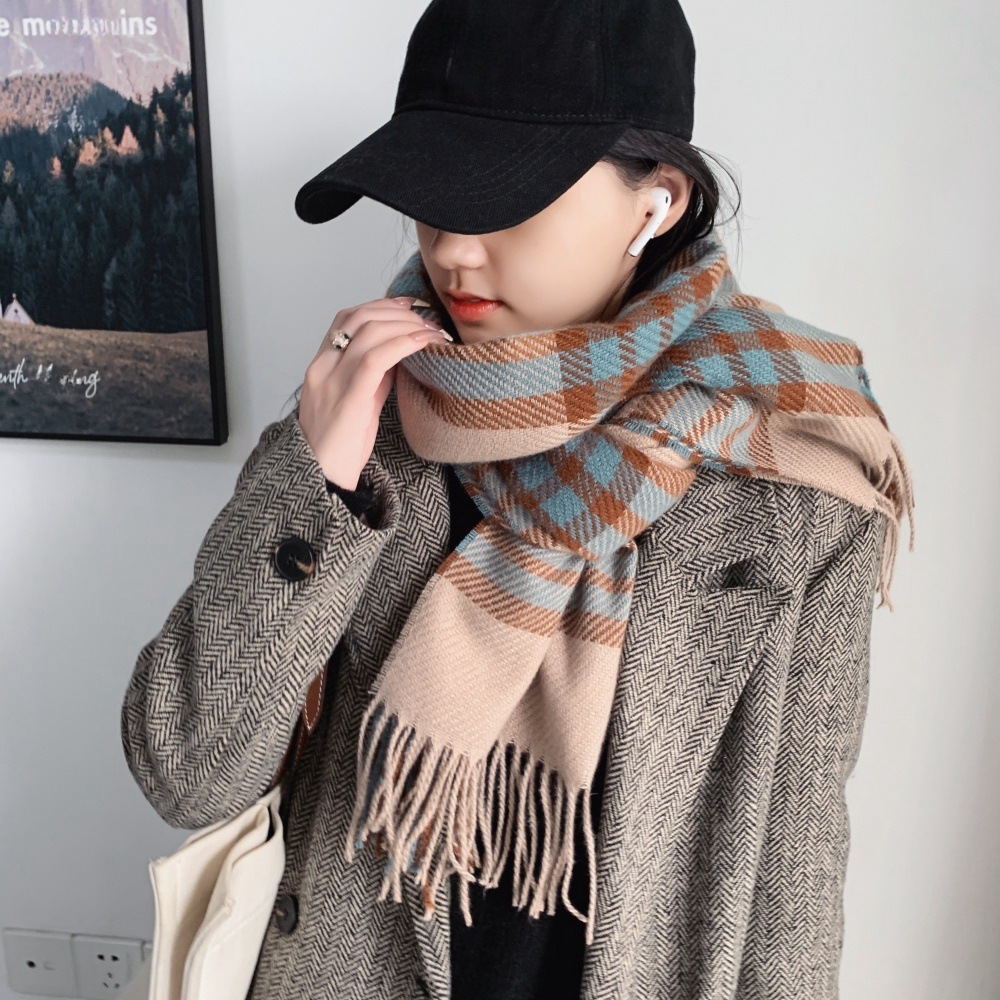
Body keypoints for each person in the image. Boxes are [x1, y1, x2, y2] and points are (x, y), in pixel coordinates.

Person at [120, 1, 915, 998]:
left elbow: (795, 865)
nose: (453, 249)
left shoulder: (796, 469)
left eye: (503, 201)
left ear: (656, 202)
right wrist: (315, 481)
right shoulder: (367, 415)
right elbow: (187, 774)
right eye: (430, 199)